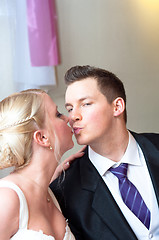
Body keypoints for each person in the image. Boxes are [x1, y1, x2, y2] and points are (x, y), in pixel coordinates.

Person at [50, 65, 159, 240]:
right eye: (70, 108)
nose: (73, 117)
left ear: (117, 106)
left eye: (85, 104)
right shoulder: (65, 190)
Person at [0, 89, 83, 240]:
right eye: (58, 114)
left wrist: (51, 178)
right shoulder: (6, 198)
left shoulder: (49, 194)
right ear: (42, 137)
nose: (68, 118)